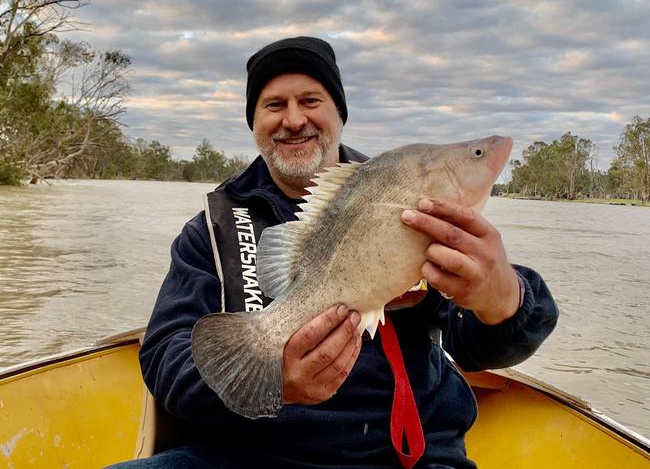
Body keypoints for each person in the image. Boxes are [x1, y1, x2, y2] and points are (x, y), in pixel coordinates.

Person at [109, 36, 558, 468]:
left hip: (405, 459)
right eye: (273, 105)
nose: (293, 119)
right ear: (254, 123)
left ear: (339, 114)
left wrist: (502, 300)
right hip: (246, 455)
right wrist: (274, 382)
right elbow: (165, 357)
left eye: (310, 100)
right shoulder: (210, 229)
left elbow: (475, 346)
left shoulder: (412, 201)